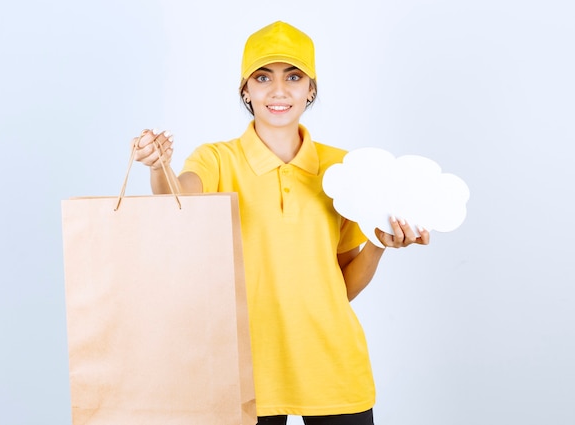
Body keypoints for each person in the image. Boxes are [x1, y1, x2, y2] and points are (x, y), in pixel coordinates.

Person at [133, 20, 429, 425]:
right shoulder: (217, 159)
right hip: (246, 367)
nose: (278, 90)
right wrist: (159, 167)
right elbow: (176, 199)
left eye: (293, 76)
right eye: (262, 77)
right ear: (246, 89)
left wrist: (377, 244)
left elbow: (340, 288)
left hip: (332, 364)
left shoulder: (342, 168)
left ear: (311, 88)